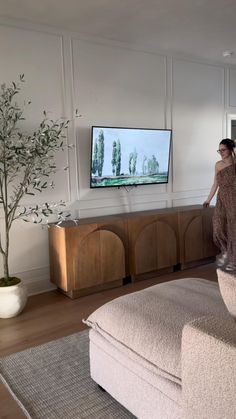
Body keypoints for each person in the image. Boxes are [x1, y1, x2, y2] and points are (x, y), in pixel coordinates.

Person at [203, 138, 236, 270]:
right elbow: (215, 184)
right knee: (218, 227)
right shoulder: (218, 165)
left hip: (234, 199)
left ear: (230, 149)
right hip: (222, 199)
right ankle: (228, 252)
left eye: (223, 150)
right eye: (219, 150)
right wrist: (208, 199)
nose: (221, 152)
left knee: (233, 229)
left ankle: (233, 260)